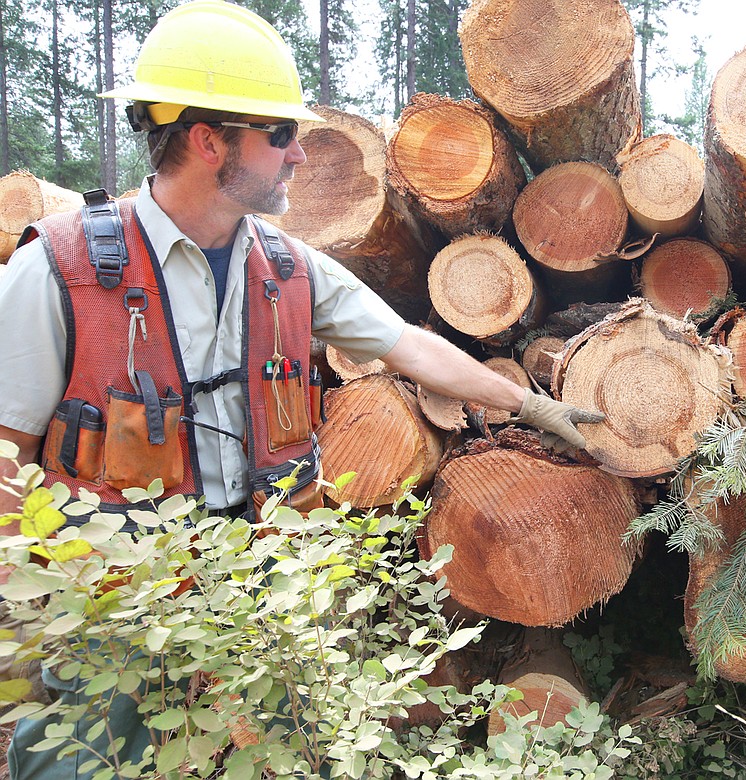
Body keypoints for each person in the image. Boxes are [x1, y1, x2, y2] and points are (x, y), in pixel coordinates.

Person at [0, 1, 603, 776]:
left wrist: (532, 404)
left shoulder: (285, 266)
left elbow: (409, 345)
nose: (300, 156)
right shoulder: (60, 268)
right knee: (81, 759)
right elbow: (7, 451)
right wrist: (23, 604)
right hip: (119, 601)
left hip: (262, 584)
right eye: (280, 135)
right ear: (206, 138)